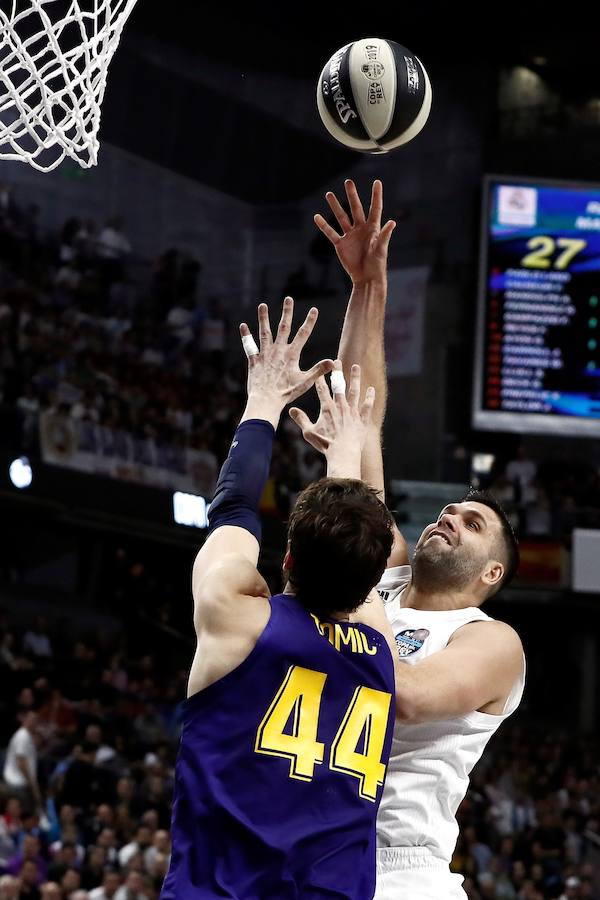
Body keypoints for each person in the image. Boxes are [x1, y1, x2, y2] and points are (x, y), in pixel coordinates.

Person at [312, 180, 526, 900]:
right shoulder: (386, 573)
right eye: (450, 511)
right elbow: (361, 415)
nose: (449, 519)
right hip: (311, 842)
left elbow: (403, 695)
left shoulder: (490, 640)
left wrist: (357, 582)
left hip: (400, 870)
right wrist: (366, 290)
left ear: (491, 571)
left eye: (471, 523)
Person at [161, 298, 398, 899]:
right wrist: (345, 454)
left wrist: (264, 400)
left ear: (286, 559)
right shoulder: (382, 646)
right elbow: (364, 542)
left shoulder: (236, 617)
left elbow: (234, 508)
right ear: (376, 582)